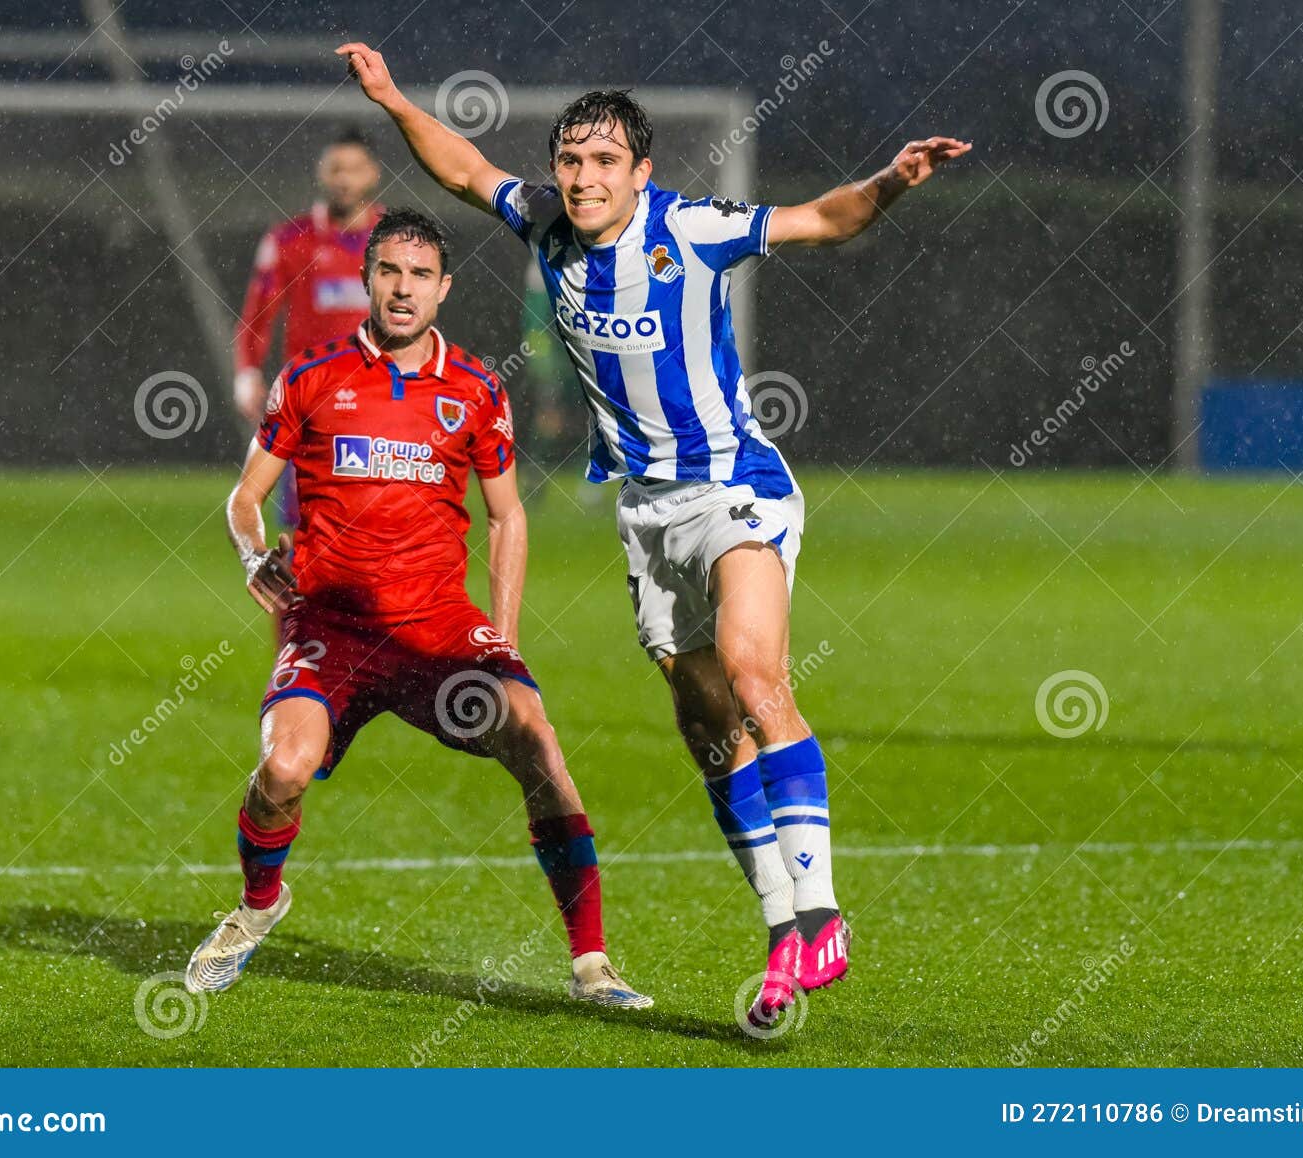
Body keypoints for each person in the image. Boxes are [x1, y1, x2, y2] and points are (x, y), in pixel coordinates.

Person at [339, 40, 970, 1028]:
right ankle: (779, 933)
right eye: (571, 160)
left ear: (640, 172)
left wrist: (893, 179)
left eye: (603, 162)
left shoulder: (696, 227)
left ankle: (820, 913)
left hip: (736, 489)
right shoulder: (545, 228)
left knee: (756, 676)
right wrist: (388, 98)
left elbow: (822, 220)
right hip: (645, 513)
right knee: (707, 729)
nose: (582, 179)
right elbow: (462, 168)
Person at [186, 207, 652, 1011]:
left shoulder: (474, 388)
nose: (403, 290)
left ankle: (592, 964)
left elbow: (508, 517)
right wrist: (254, 556)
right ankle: (258, 909)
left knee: (536, 739)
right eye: (389, 273)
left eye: (419, 276)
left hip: (437, 625)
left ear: (444, 289)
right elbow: (244, 498)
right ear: (369, 280)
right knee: (282, 772)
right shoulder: (310, 375)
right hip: (331, 626)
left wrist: (501, 643)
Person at [233, 127, 384, 526]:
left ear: (373, 174)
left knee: (378, 526)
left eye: (354, 168)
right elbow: (257, 314)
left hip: (383, 403)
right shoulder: (290, 241)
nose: (344, 178)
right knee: (308, 530)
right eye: (336, 168)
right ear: (322, 174)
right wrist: (248, 373)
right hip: (310, 407)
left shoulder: (397, 240)